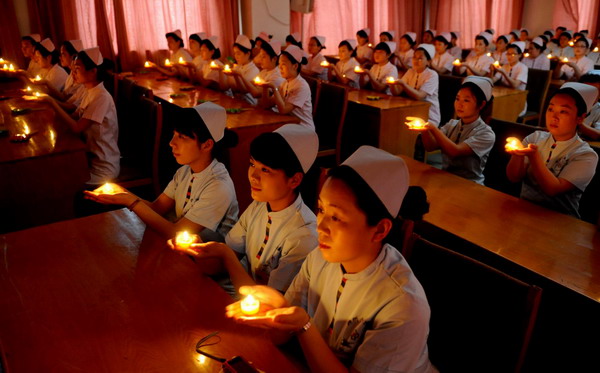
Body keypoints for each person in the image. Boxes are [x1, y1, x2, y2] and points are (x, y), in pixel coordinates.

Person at [225, 145, 436, 373]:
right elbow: (280, 339)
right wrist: (279, 308)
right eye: (321, 209)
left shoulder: (402, 305)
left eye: (336, 217)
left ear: (379, 230)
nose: (321, 226)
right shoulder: (320, 258)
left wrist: (304, 326)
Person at [171, 124, 319, 294]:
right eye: (252, 164)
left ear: (294, 180)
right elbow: (218, 266)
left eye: (265, 170)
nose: (253, 176)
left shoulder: (304, 236)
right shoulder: (259, 206)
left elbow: (268, 305)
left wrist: (224, 254)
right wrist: (197, 250)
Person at [86, 102, 238, 241]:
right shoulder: (185, 171)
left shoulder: (218, 186)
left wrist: (129, 201)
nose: (172, 143)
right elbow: (157, 209)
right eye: (174, 134)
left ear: (206, 145)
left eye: (182, 137)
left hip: (210, 263)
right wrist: (122, 193)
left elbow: (176, 232)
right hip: (183, 251)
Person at [506, 82, 599, 218]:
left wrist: (534, 156)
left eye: (563, 111)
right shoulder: (535, 137)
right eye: (550, 109)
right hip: (524, 210)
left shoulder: (586, 155)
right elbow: (514, 177)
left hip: (560, 220)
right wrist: (517, 155)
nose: (554, 117)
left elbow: (553, 189)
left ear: (580, 118)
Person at [42, 47, 120, 186]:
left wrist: (51, 102)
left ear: (93, 71)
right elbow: (73, 115)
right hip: (89, 158)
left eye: (77, 69)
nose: (72, 73)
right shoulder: (89, 91)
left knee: (57, 181)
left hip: (102, 167)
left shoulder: (101, 97)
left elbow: (77, 127)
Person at [418, 76, 495, 184]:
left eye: (466, 100)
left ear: (481, 104)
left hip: (469, 184)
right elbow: (430, 147)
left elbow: (455, 151)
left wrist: (432, 127)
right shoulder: (452, 124)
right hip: (446, 177)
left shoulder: (486, 134)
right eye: (457, 99)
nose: (459, 104)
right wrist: (424, 129)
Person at [259, 45, 314, 129]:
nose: (280, 67)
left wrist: (274, 88)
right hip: (288, 125)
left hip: (302, 127)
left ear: (295, 66)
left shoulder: (301, 86)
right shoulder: (285, 83)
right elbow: (266, 105)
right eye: (279, 64)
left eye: (283, 64)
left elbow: (283, 110)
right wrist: (265, 87)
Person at [390, 43, 441, 127]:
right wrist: (392, 84)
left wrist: (403, 84)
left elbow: (420, 96)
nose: (416, 60)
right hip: (411, 111)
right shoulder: (410, 71)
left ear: (428, 61)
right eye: (414, 57)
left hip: (428, 115)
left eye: (420, 58)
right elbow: (396, 92)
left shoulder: (432, 75)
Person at [492, 41, 528, 117]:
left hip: (517, 99)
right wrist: (491, 71)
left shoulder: (523, 68)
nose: (509, 56)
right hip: (503, 97)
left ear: (520, 55)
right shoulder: (505, 66)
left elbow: (515, 85)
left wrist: (504, 73)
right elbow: (494, 79)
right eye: (508, 54)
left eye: (513, 54)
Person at [220, 34, 259, 104]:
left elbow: (243, 90)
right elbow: (224, 87)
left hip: (249, 104)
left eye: (238, 53)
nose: (236, 56)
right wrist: (221, 70)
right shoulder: (237, 67)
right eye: (235, 53)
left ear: (248, 54)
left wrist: (236, 75)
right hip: (236, 101)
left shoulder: (253, 70)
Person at [245, 39, 284, 104]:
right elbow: (252, 83)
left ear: (274, 59)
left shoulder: (277, 76)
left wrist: (239, 75)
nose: (260, 59)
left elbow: (256, 94)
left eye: (263, 57)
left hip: (271, 112)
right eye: (260, 56)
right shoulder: (264, 71)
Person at [577, 70, 600, 140]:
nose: (589, 94)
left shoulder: (598, 110)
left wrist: (578, 122)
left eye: (594, 91)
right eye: (586, 90)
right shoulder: (570, 105)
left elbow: (598, 135)